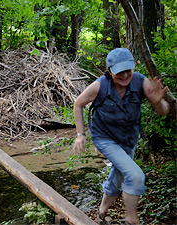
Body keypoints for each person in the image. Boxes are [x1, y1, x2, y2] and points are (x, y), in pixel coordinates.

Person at [71, 48, 170, 225]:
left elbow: (163, 112)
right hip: (105, 138)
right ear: (110, 71)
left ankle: (101, 213)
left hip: (128, 140)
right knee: (135, 175)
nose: (125, 75)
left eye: (128, 70)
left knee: (118, 177)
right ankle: (131, 218)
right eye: (119, 72)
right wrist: (80, 134)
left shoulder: (141, 82)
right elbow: (78, 104)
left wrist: (158, 103)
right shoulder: (99, 85)